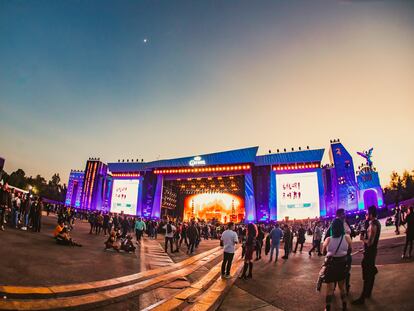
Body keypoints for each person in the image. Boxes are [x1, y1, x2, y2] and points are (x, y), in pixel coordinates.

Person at [352, 205, 381, 305]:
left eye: (367, 214)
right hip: (372, 252)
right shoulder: (375, 223)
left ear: (371, 215)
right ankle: (368, 293)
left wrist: (362, 239)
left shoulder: (373, 225)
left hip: (369, 252)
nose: (366, 215)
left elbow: (369, 242)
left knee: (366, 274)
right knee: (369, 272)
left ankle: (362, 298)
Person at [321, 219, 352, 311]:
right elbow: (349, 251)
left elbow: (323, 253)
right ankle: (344, 306)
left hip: (331, 267)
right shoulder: (347, 238)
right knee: (342, 288)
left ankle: (328, 308)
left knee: (330, 289)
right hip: (342, 266)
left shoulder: (328, 239)